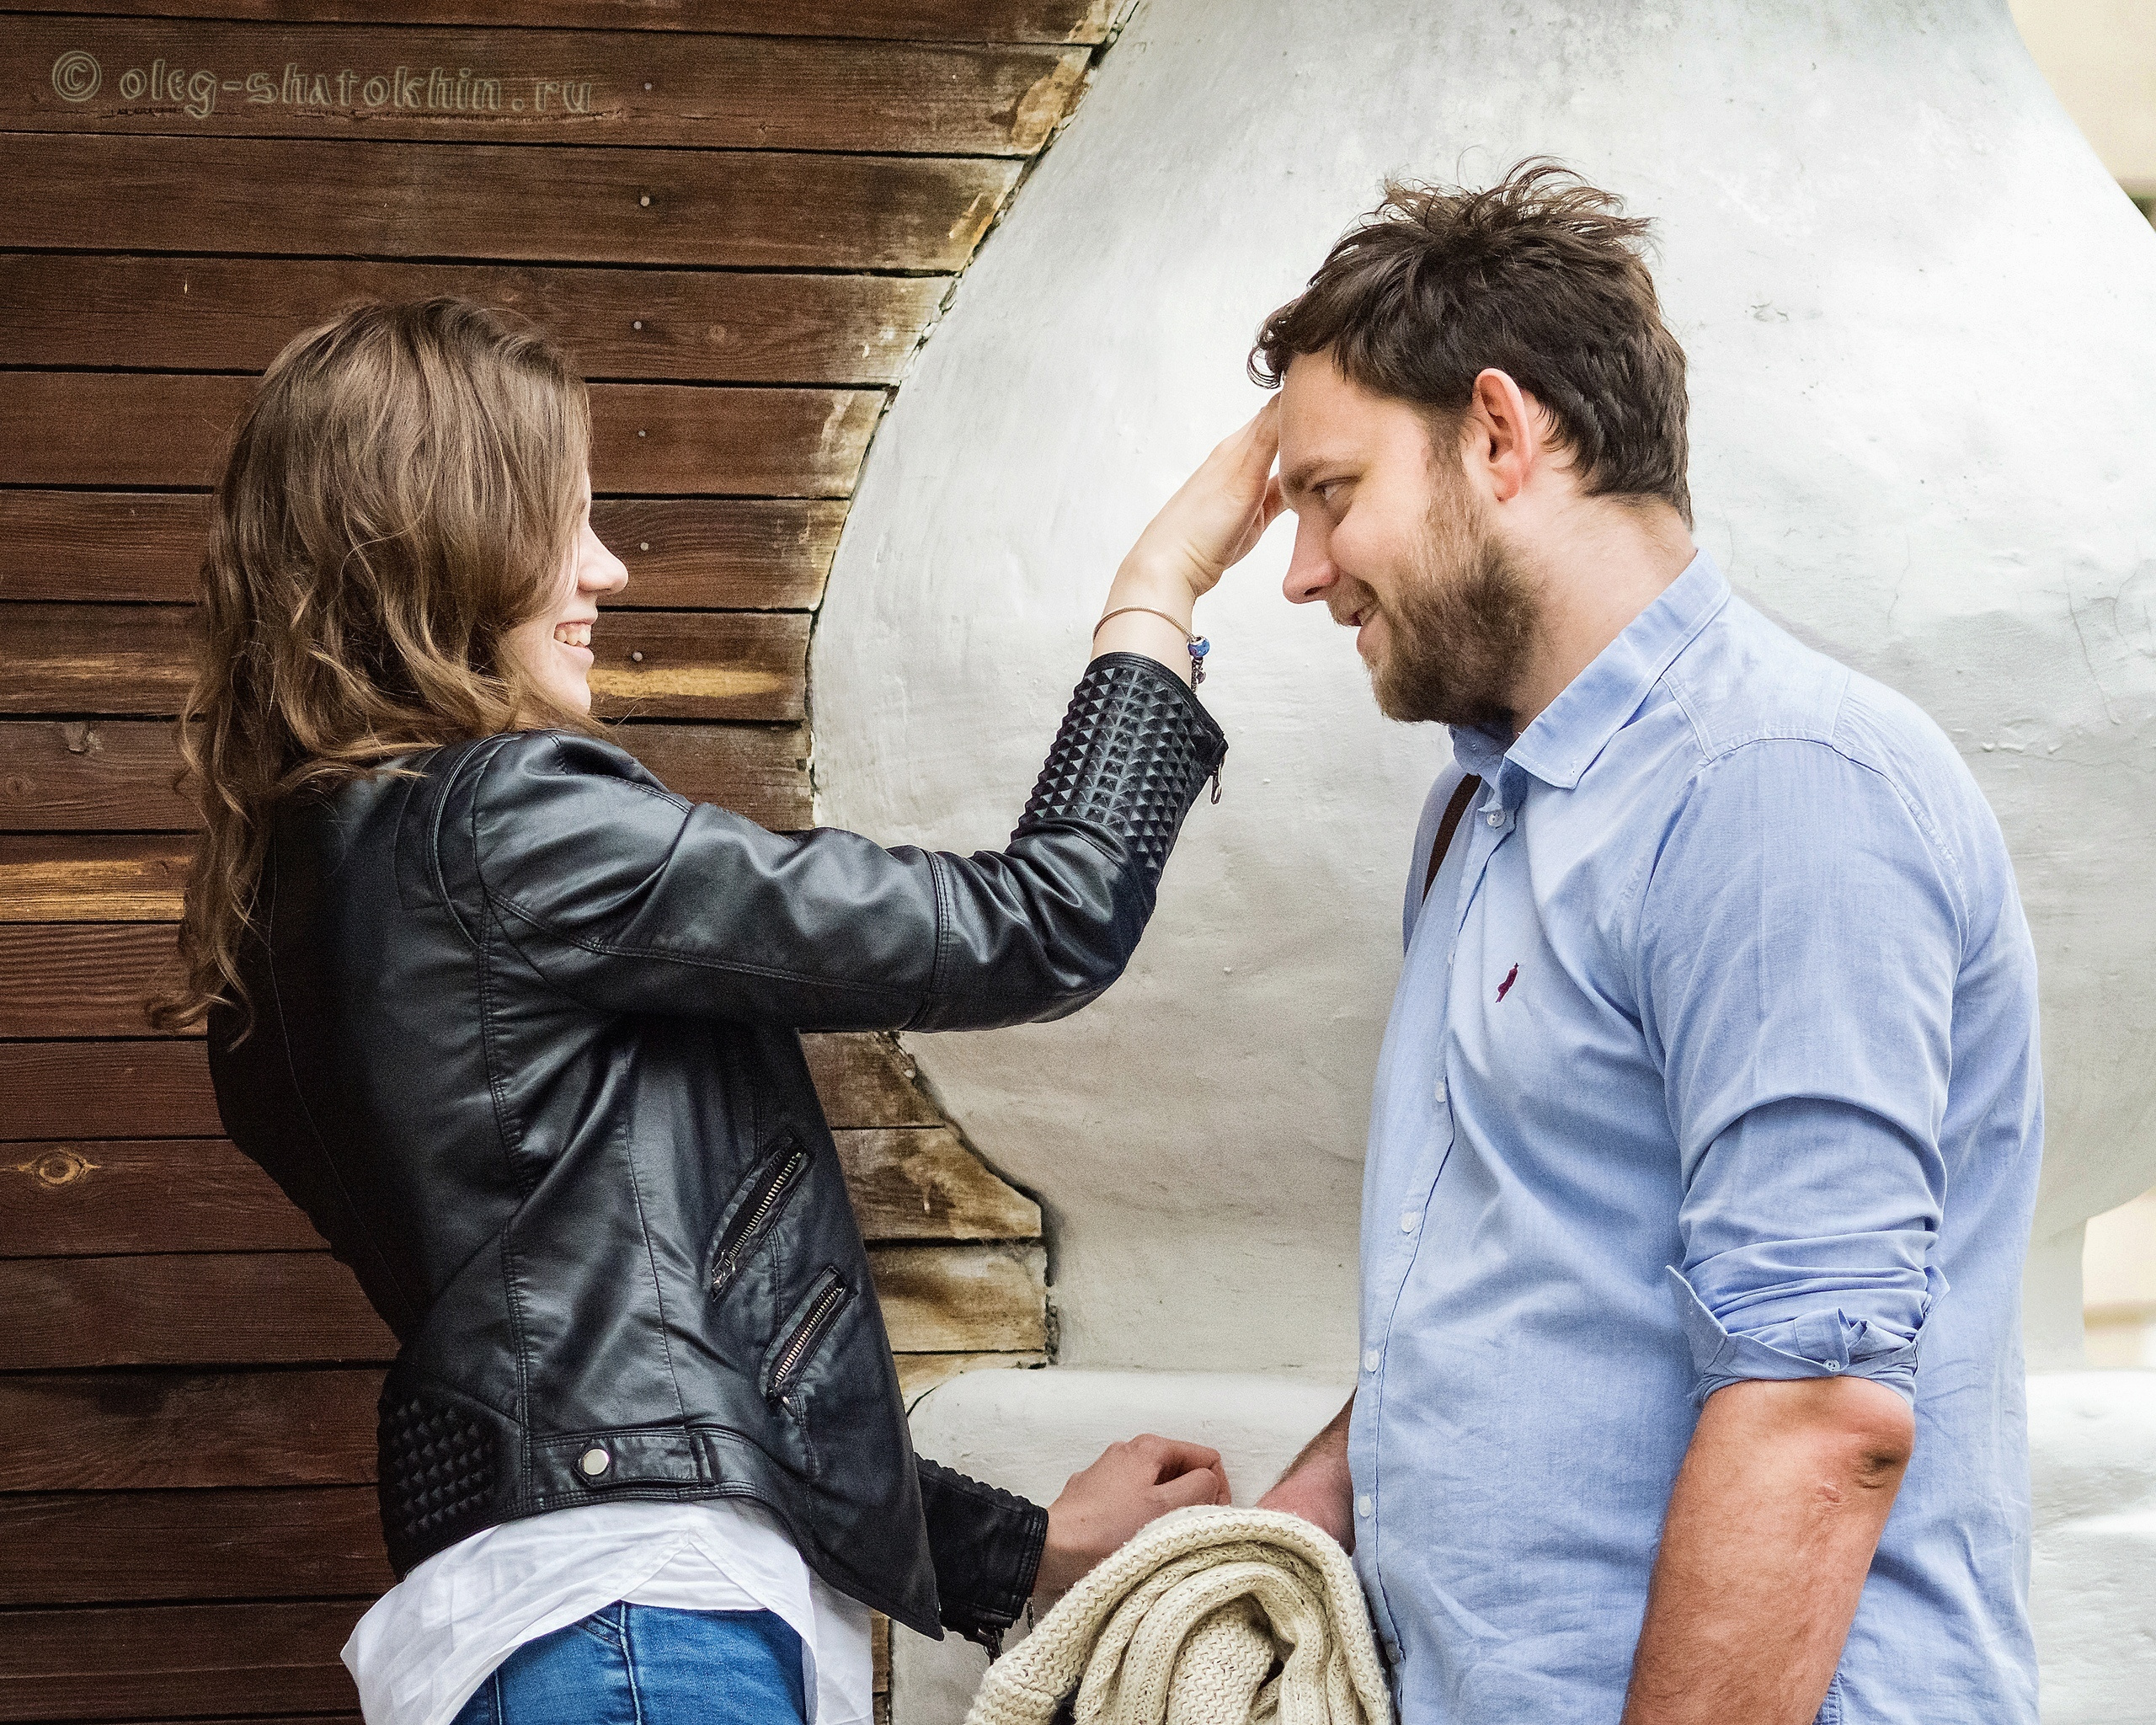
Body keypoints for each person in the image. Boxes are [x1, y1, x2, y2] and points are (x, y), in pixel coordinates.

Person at [151, 298, 1285, 1725]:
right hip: (636, 1631)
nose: (606, 570)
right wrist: (1156, 593)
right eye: (568, 523)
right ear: (446, 540)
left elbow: (656, 1369)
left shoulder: (280, 940)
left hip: (552, 1632)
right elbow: (1040, 920)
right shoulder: (504, 826)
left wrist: (1019, 1555)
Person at [1248, 165, 2042, 1724]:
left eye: (1331, 494)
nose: (1305, 572)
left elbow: (1817, 1413)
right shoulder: (1485, 816)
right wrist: (1286, 1531)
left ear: (1499, 433)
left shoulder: (1776, 789)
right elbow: (1516, 1268)